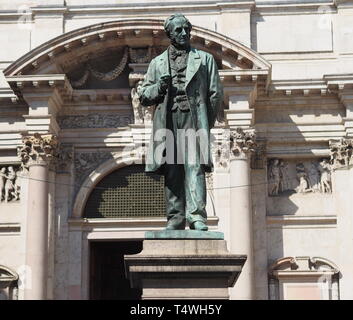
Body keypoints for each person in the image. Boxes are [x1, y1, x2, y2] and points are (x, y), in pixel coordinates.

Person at [139, 13, 223, 231]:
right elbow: (144, 95)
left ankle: (196, 216)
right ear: (169, 34)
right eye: (178, 30)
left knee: (194, 167)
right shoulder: (157, 63)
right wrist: (160, 87)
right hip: (167, 120)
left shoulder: (205, 59)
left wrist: (205, 123)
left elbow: (215, 95)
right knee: (173, 169)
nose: (184, 33)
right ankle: (175, 217)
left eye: (187, 29)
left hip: (194, 120)